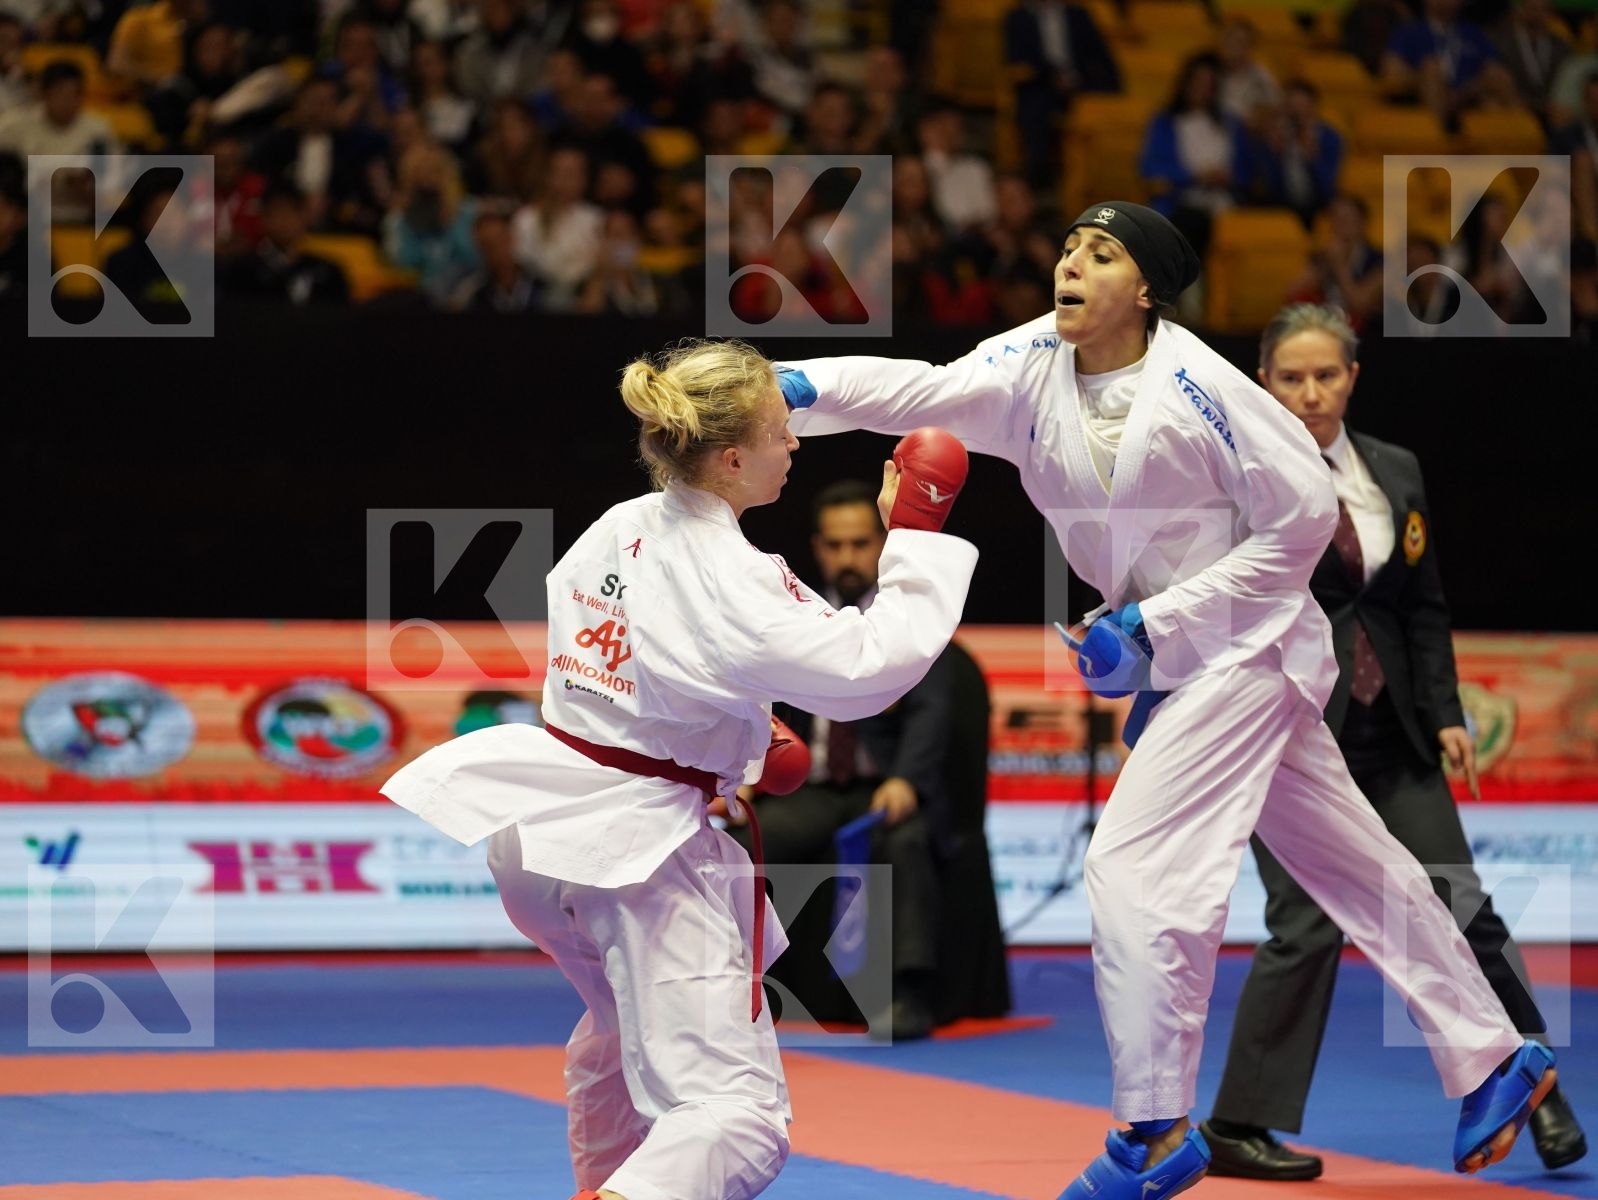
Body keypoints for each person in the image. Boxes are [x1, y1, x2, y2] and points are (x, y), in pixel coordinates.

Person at [773, 200, 1559, 1200]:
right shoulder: (1027, 366)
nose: (1067, 263)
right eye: (1064, 246)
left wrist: (1152, 625)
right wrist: (794, 387)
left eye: (1097, 255)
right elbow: (918, 388)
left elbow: (1304, 523)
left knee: (1131, 867)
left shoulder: (1204, 385)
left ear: (1140, 288)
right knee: (1358, 869)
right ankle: (1496, 1056)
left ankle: (1152, 1128)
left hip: (1252, 650)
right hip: (1194, 657)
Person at [379, 338, 979, 1200]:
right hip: (639, 851)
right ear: (733, 456)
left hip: (541, 831)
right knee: (735, 1114)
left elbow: (639, 665)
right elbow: (866, 671)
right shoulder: (734, 578)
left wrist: (741, 732)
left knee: (622, 1036)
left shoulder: (618, 525)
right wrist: (913, 536)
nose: (796, 445)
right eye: (782, 432)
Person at [1199, 303, 1587, 1181]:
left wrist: (1447, 712)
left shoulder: (1395, 471)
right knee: (1305, 924)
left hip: (1396, 736)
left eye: (1326, 375)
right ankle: (1237, 1123)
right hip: (1293, 733)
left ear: (1352, 378)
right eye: (1290, 377)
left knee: (1460, 906)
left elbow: (1421, 605)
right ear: (1263, 381)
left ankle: (1535, 1085)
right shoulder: (1235, 480)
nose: (1309, 393)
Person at [724, 479, 1010, 1041]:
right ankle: (732, 989)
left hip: (886, 791)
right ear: (817, 546)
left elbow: (932, 709)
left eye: (860, 543)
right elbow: (763, 701)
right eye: (836, 545)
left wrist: (907, 779)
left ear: (880, 544)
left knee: (901, 843)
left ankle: (904, 994)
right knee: (743, 843)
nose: (848, 557)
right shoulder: (797, 616)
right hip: (813, 789)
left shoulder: (907, 620)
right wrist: (747, 773)